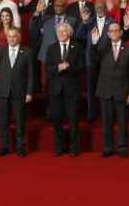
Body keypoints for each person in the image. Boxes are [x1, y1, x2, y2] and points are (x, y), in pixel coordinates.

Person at [0, 27, 34, 157]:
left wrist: (29, 92)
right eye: (10, 36)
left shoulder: (27, 52)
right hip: (2, 92)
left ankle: (20, 147)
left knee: (19, 121)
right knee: (3, 121)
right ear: (7, 38)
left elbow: (31, 75)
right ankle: (4, 146)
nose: (12, 39)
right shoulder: (0, 51)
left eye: (14, 36)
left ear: (19, 37)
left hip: (20, 92)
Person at [91, 23, 129, 158]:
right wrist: (94, 44)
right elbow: (94, 62)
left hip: (122, 90)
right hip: (105, 90)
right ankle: (108, 146)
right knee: (107, 121)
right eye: (111, 31)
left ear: (121, 32)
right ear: (108, 34)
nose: (114, 33)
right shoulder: (102, 48)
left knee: (122, 121)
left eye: (117, 30)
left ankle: (122, 147)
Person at [45, 23, 84, 157]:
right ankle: (59, 147)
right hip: (56, 90)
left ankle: (74, 148)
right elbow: (48, 68)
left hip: (72, 89)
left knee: (73, 120)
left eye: (63, 31)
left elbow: (81, 67)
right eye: (59, 32)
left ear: (69, 32)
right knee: (57, 120)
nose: (61, 34)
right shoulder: (51, 48)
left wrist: (69, 67)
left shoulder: (77, 47)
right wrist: (58, 68)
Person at [75, 0, 115, 122]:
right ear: (94, 8)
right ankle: (91, 115)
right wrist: (84, 21)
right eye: (97, 6)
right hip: (90, 60)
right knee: (91, 89)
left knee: (107, 89)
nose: (100, 8)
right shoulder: (89, 21)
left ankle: (107, 116)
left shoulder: (112, 21)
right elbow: (78, 36)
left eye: (102, 6)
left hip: (107, 61)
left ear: (105, 8)